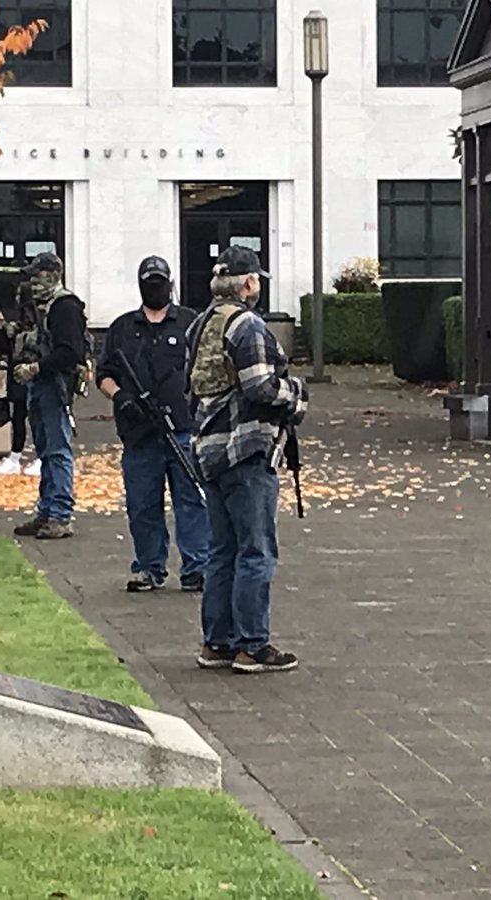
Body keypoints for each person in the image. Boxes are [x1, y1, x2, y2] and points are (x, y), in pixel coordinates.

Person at [186, 245, 307, 674]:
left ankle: (216, 642)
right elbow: (260, 387)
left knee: (221, 551)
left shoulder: (200, 325)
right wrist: (295, 395)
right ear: (250, 283)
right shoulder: (248, 326)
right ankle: (252, 645)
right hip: (247, 450)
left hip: (209, 451)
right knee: (256, 551)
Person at [96, 255, 210, 593]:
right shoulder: (122, 328)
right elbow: (104, 375)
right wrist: (120, 398)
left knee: (191, 501)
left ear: (170, 282)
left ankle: (197, 567)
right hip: (138, 433)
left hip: (183, 429)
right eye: (150, 281)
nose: (155, 287)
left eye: (160, 281)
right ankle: (148, 567)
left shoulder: (190, 323)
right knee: (143, 504)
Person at [9, 252, 87, 541]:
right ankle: (46, 510)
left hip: (55, 384)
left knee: (57, 450)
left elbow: (69, 353)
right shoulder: (41, 308)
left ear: (52, 274)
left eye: (37, 275)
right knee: (45, 449)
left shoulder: (64, 307)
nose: (33, 282)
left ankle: (60, 514)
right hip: (40, 383)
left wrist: (36, 368)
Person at [0, 286, 42, 477]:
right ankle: (15, 457)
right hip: (19, 373)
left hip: (32, 372)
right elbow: (8, 349)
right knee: (19, 416)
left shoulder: (34, 321)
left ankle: (38, 456)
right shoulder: (20, 322)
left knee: (34, 417)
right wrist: (2, 328)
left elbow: (29, 344)